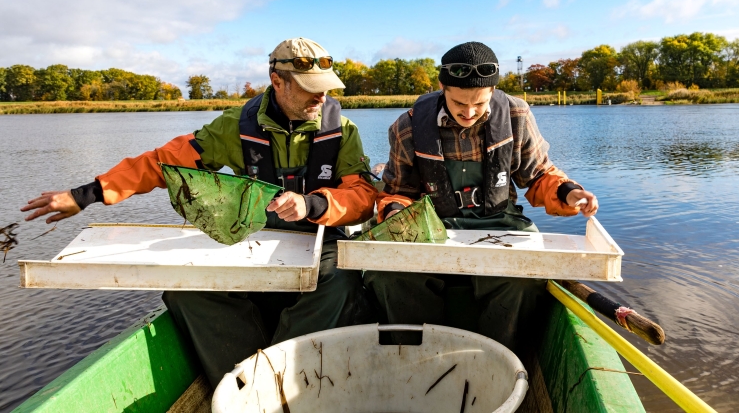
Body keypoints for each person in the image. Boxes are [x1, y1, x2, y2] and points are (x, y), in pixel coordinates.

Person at [21, 37, 378, 387]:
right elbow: (162, 163)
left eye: (326, 88)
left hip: (319, 238)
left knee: (341, 282)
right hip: (254, 240)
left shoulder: (342, 131)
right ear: (277, 82)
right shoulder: (235, 126)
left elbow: (361, 196)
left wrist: (313, 203)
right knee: (186, 289)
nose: (322, 96)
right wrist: (86, 194)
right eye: (310, 88)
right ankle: (247, 380)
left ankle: (279, 376)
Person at [364, 41, 598, 351]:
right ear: (442, 86)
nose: (470, 113)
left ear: (493, 91)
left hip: (502, 224)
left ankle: (499, 358)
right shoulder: (407, 126)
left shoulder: (516, 114)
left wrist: (569, 193)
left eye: (480, 104)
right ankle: (417, 358)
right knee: (388, 276)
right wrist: (395, 211)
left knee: (524, 278)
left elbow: (539, 175)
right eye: (459, 103)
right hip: (434, 227)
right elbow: (398, 192)